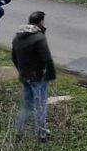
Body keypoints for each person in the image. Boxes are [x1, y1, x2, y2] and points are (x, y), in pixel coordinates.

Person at [10, 11, 55, 141]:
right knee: (40, 105)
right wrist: (50, 75)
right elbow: (46, 58)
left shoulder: (17, 37)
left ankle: (18, 132)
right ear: (41, 21)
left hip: (24, 76)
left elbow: (14, 57)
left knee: (27, 105)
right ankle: (42, 133)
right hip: (38, 77)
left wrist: (21, 70)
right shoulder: (39, 38)